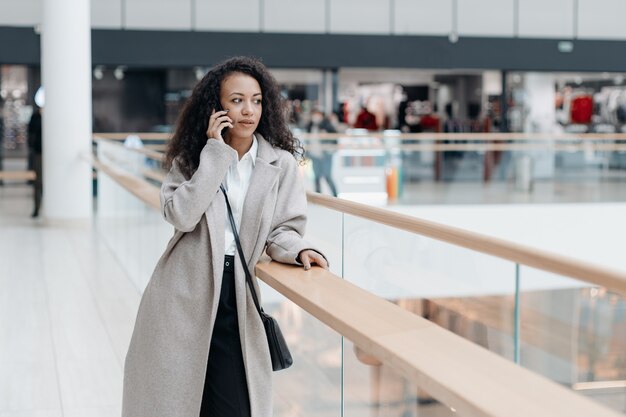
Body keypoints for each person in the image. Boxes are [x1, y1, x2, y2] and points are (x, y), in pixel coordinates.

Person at [122, 57, 328, 417]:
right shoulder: (192, 160)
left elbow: (284, 228)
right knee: (178, 401)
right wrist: (214, 155)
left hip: (237, 297)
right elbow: (180, 215)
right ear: (216, 108)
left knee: (236, 404)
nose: (249, 110)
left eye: (257, 100)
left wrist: (299, 250)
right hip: (183, 294)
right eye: (236, 100)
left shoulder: (280, 165)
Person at [306, 108, 338, 196]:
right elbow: (308, 140)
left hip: (326, 155)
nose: (315, 116)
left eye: (318, 114)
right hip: (314, 155)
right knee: (316, 177)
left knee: (327, 176)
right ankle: (318, 197)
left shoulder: (327, 125)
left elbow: (334, 139)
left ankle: (336, 196)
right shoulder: (310, 125)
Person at [27, 106, 43, 217]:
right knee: (38, 183)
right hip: (39, 153)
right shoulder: (36, 116)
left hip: (53, 155)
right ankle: (37, 209)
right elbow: (31, 131)